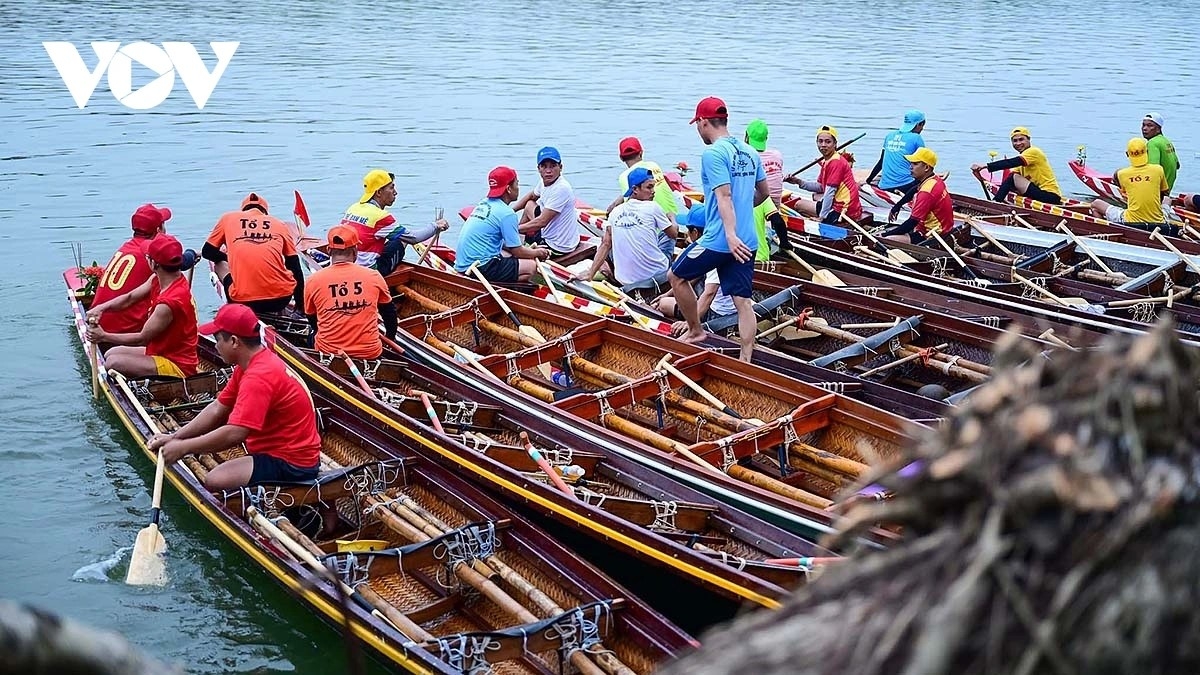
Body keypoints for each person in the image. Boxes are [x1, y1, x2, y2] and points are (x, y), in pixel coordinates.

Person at [147, 303, 321, 492]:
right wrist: (175, 436)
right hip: (284, 452)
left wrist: (184, 448)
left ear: (234, 342)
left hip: (292, 463)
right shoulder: (250, 364)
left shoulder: (259, 377)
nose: (216, 346)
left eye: (217, 339)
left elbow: (235, 433)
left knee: (215, 480)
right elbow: (217, 408)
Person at [668, 96, 770, 362]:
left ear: (703, 122)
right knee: (743, 301)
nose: (698, 130)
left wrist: (730, 234)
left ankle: (695, 330)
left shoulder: (713, 153)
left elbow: (723, 196)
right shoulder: (750, 152)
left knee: (676, 276)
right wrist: (742, 215)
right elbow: (763, 194)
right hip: (748, 239)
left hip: (722, 239)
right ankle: (746, 357)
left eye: (697, 125)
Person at [85, 234, 198, 378]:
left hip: (177, 364)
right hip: (160, 351)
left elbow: (142, 338)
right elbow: (130, 298)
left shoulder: (168, 303)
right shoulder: (157, 279)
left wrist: (104, 336)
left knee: (112, 363)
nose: (146, 258)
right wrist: (101, 308)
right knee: (110, 353)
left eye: (148, 257)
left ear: (154, 264)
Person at [203, 193, 305, 315]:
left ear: (243, 210)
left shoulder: (228, 219)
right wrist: (300, 306)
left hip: (242, 300)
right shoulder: (279, 224)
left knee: (219, 264)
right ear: (265, 213)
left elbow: (207, 252)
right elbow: (295, 267)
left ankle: (233, 306)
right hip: (282, 298)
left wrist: (229, 259)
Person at [303, 226, 397, 359]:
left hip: (330, 352)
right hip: (370, 352)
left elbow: (312, 319)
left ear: (329, 250)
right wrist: (390, 338)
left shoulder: (313, 280)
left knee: (311, 336)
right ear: (355, 251)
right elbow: (390, 315)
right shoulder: (374, 276)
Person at [335, 169, 449, 274]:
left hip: (349, 264)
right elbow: (414, 238)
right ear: (379, 192)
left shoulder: (353, 208)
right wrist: (436, 226)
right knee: (403, 240)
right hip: (370, 271)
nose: (395, 192)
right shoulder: (381, 216)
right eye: (391, 188)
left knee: (393, 238)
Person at [582, 167, 678, 289]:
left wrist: (590, 274)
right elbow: (673, 234)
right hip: (656, 275)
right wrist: (672, 218)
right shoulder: (652, 207)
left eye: (653, 187)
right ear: (635, 189)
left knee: (609, 241)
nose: (653, 191)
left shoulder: (615, 212)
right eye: (649, 187)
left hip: (624, 280)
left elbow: (605, 244)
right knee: (670, 231)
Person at [91, 203, 173, 342]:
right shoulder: (153, 256)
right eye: (164, 224)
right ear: (159, 230)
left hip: (98, 323)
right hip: (125, 333)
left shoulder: (125, 248)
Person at [454, 166, 551, 282]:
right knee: (531, 266)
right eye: (517, 184)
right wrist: (538, 252)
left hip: (463, 264)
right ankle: (505, 289)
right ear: (509, 189)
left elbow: (510, 246)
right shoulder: (507, 214)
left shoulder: (483, 203)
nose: (518, 188)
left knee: (506, 253)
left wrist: (529, 250)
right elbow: (517, 251)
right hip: (479, 268)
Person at [655, 204, 737, 326]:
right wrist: (667, 293)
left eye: (688, 230)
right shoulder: (723, 243)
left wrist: (689, 323)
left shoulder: (713, 251)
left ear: (695, 232)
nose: (687, 234)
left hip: (717, 313)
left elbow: (709, 293)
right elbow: (694, 277)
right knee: (667, 298)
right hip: (728, 307)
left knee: (663, 304)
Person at [512, 147, 583, 257]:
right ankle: (516, 239)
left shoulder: (561, 188)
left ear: (561, 167)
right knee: (529, 204)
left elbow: (541, 222)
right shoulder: (544, 181)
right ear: (538, 168)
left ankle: (515, 241)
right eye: (544, 166)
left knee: (515, 249)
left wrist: (511, 229)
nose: (548, 171)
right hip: (550, 231)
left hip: (558, 246)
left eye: (553, 166)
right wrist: (511, 210)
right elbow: (531, 196)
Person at [784, 125, 863, 224]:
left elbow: (829, 192)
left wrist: (822, 217)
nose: (823, 145)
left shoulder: (836, 162)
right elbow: (821, 187)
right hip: (840, 205)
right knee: (815, 196)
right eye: (820, 141)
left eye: (828, 142)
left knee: (797, 205)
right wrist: (798, 182)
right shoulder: (827, 160)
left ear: (835, 144)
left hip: (844, 211)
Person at [1088, 138, 1170, 231]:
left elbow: (1125, 195)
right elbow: (1164, 194)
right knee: (1168, 200)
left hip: (1130, 220)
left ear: (1127, 154)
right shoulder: (1158, 169)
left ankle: (1104, 231)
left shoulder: (1122, 174)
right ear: (1147, 152)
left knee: (1095, 204)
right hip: (1159, 221)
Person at [971, 127, 1063, 204]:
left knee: (1013, 177)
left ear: (1029, 139)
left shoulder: (1034, 152)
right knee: (1012, 177)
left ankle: (996, 201)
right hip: (1039, 193)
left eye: (1021, 139)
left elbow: (1011, 163)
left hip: (1050, 196)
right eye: (1015, 141)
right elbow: (1009, 180)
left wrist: (986, 166)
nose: (1018, 143)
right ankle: (997, 202)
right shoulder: (1022, 159)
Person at [881, 148, 955, 243]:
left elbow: (911, 223)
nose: (911, 167)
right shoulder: (935, 179)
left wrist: (884, 235)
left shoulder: (926, 193)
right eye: (911, 163)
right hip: (945, 228)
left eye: (915, 164)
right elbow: (914, 189)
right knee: (894, 229)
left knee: (886, 239)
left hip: (932, 235)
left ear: (926, 168)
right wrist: (897, 206)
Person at [605, 136, 680, 219]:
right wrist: (619, 200)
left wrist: (611, 214)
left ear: (621, 158)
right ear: (641, 153)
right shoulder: (654, 165)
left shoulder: (624, 176)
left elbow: (630, 205)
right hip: (674, 217)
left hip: (652, 226)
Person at [867, 110, 927, 195]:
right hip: (905, 186)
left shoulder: (889, 135)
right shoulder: (916, 138)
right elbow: (923, 164)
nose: (922, 129)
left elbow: (881, 161)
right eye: (922, 125)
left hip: (884, 186)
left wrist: (868, 180)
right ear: (918, 124)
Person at [745, 119, 785, 207]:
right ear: (766, 138)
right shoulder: (777, 155)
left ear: (746, 137)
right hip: (776, 205)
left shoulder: (747, 158)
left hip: (758, 206)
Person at [1142, 112, 1180, 198]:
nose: (1144, 128)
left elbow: (1153, 170)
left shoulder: (1152, 143)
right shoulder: (1167, 142)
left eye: (1149, 126)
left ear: (1158, 129)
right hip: (1168, 189)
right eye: (1143, 125)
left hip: (1158, 192)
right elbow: (1177, 165)